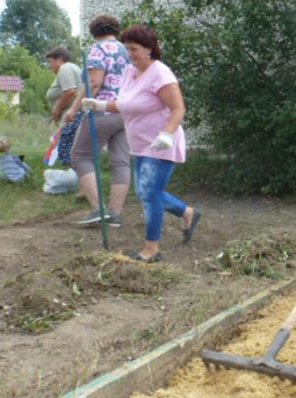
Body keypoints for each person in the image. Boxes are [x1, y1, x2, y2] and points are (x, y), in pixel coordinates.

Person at [83, 25, 202, 263]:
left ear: (149, 49)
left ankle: (151, 249)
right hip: (140, 143)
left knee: (148, 194)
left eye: (134, 49)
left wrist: (167, 134)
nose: (130, 53)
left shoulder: (161, 74)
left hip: (161, 143)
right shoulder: (130, 71)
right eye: (127, 48)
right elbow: (127, 103)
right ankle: (188, 213)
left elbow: (178, 108)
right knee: (148, 192)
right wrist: (101, 105)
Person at [65, 15, 131, 227]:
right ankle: (115, 214)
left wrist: (74, 109)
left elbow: (93, 83)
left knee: (80, 156)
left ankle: (98, 209)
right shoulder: (127, 50)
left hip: (102, 111)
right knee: (120, 161)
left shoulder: (99, 49)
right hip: (124, 111)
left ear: (94, 32)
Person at [45, 47, 83, 166]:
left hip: (73, 116)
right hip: (75, 115)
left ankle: (74, 176)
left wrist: (57, 109)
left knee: (68, 151)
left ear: (60, 60)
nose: (50, 65)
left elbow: (70, 91)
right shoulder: (72, 68)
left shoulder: (65, 68)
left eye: (51, 62)